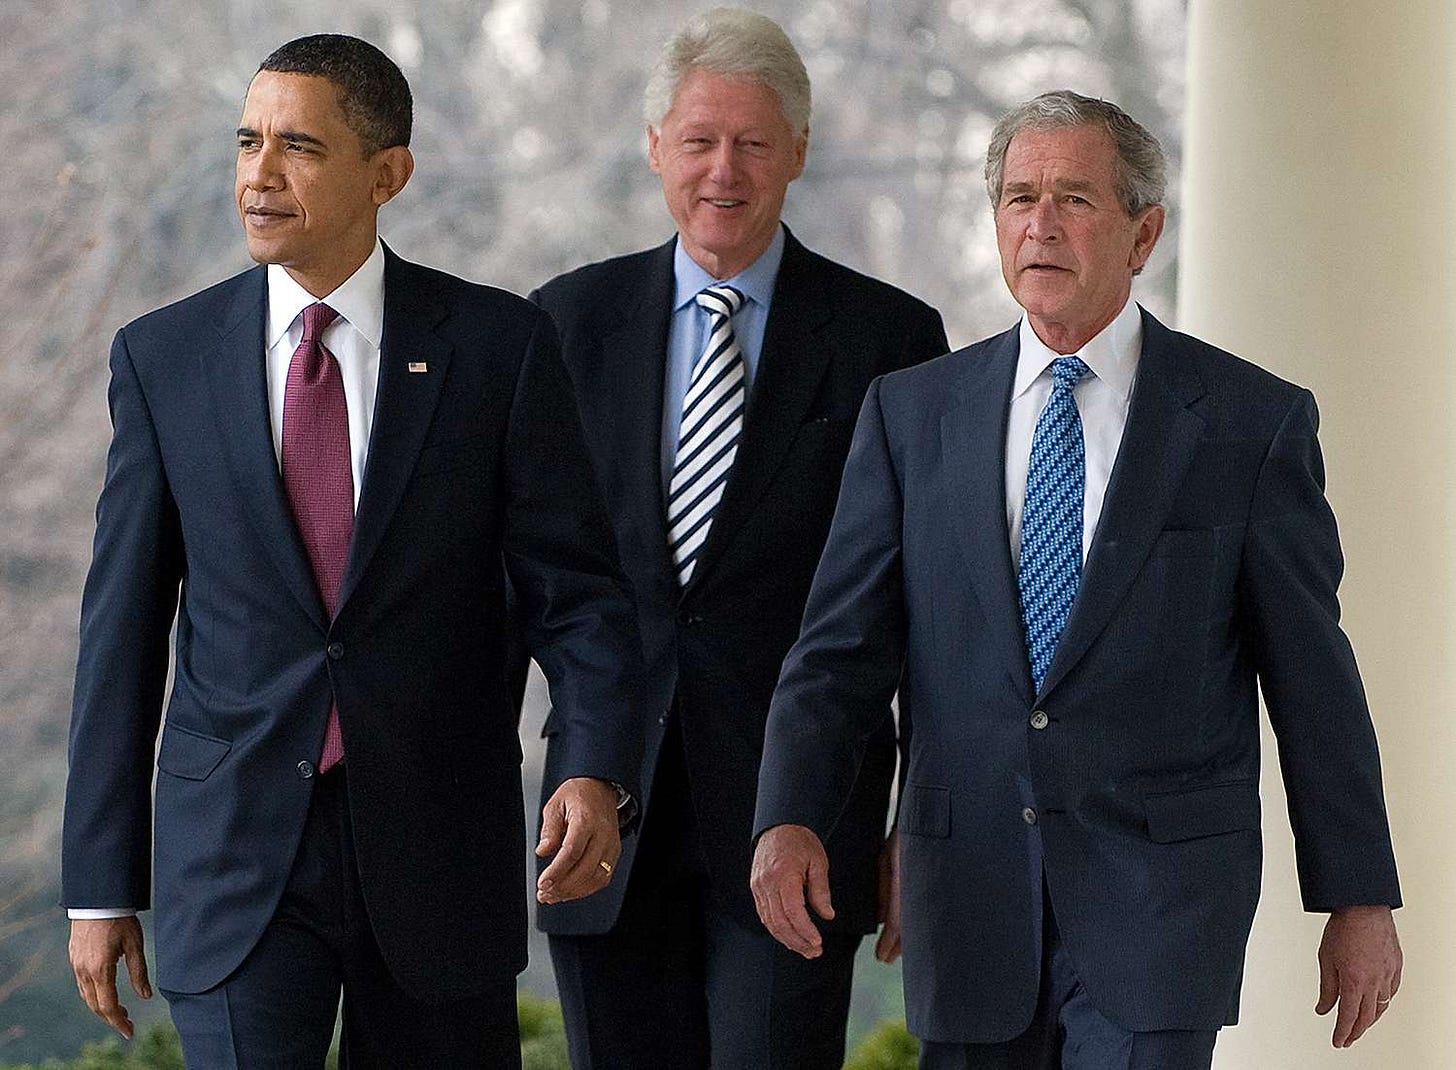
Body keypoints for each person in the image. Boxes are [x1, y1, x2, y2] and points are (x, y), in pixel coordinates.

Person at [751, 90, 1402, 1069]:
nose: (1039, 224)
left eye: (1072, 198)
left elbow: (1313, 677)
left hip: (1160, 907)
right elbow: (837, 649)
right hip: (964, 891)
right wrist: (789, 811)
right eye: (1018, 198)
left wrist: (1358, 893)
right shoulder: (911, 414)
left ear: (1143, 232)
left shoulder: (1244, 423)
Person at [61, 34, 643, 1067]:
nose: (259, 174)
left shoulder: (496, 349)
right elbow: (121, 633)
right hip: (235, 860)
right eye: (247, 142)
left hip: (435, 856)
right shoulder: (164, 359)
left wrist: (592, 766)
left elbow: (582, 596)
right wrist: (102, 884)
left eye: (298, 146)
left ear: (387, 174)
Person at [524, 8, 947, 1067]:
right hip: (602, 819)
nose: (725, 169)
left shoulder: (888, 341)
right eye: (700, 139)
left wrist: (917, 825)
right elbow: (525, 582)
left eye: (755, 142)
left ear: (797, 153)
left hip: (797, 823)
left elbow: (926, 617)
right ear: (654, 145)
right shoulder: (563, 327)